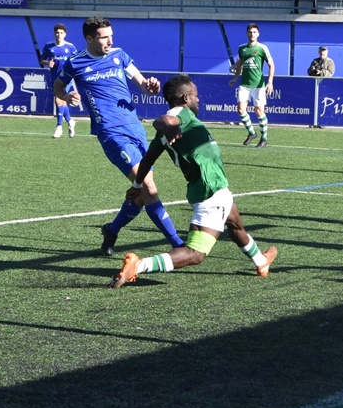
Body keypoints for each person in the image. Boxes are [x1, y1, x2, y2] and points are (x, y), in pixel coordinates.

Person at [111, 75, 278, 288]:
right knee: (195, 254)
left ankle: (261, 262)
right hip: (211, 189)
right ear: (185, 98)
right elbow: (163, 121)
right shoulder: (182, 114)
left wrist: (136, 186)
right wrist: (166, 125)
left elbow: (147, 161)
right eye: (196, 97)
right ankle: (139, 265)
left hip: (210, 188)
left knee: (235, 223)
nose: (199, 100)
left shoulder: (169, 130)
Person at [53, 16, 185, 255]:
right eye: (104, 37)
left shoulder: (119, 55)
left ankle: (112, 230)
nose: (110, 40)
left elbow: (143, 83)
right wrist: (67, 96)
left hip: (135, 127)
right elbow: (58, 86)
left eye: (111, 35)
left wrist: (151, 86)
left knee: (142, 195)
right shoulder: (75, 62)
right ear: (89, 38)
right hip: (110, 132)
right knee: (148, 186)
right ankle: (178, 244)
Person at [229, 23, 275, 147]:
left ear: (258, 34)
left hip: (258, 85)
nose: (252, 34)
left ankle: (264, 138)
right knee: (240, 109)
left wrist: (270, 82)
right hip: (244, 84)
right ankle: (251, 132)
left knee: (259, 111)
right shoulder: (242, 48)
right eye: (250, 32)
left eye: (254, 32)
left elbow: (271, 65)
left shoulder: (262, 48)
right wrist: (235, 78)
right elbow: (240, 64)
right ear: (246, 34)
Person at [40, 24, 78, 139]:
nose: (59, 35)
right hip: (54, 77)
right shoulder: (49, 46)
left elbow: (76, 61)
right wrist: (48, 63)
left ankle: (59, 126)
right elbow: (42, 60)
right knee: (62, 102)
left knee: (58, 100)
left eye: (61, 33)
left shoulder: (71, 47)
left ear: (65, 34)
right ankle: (70, 121)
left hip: (67, 78)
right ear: (54, 33)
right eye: (57, 32)